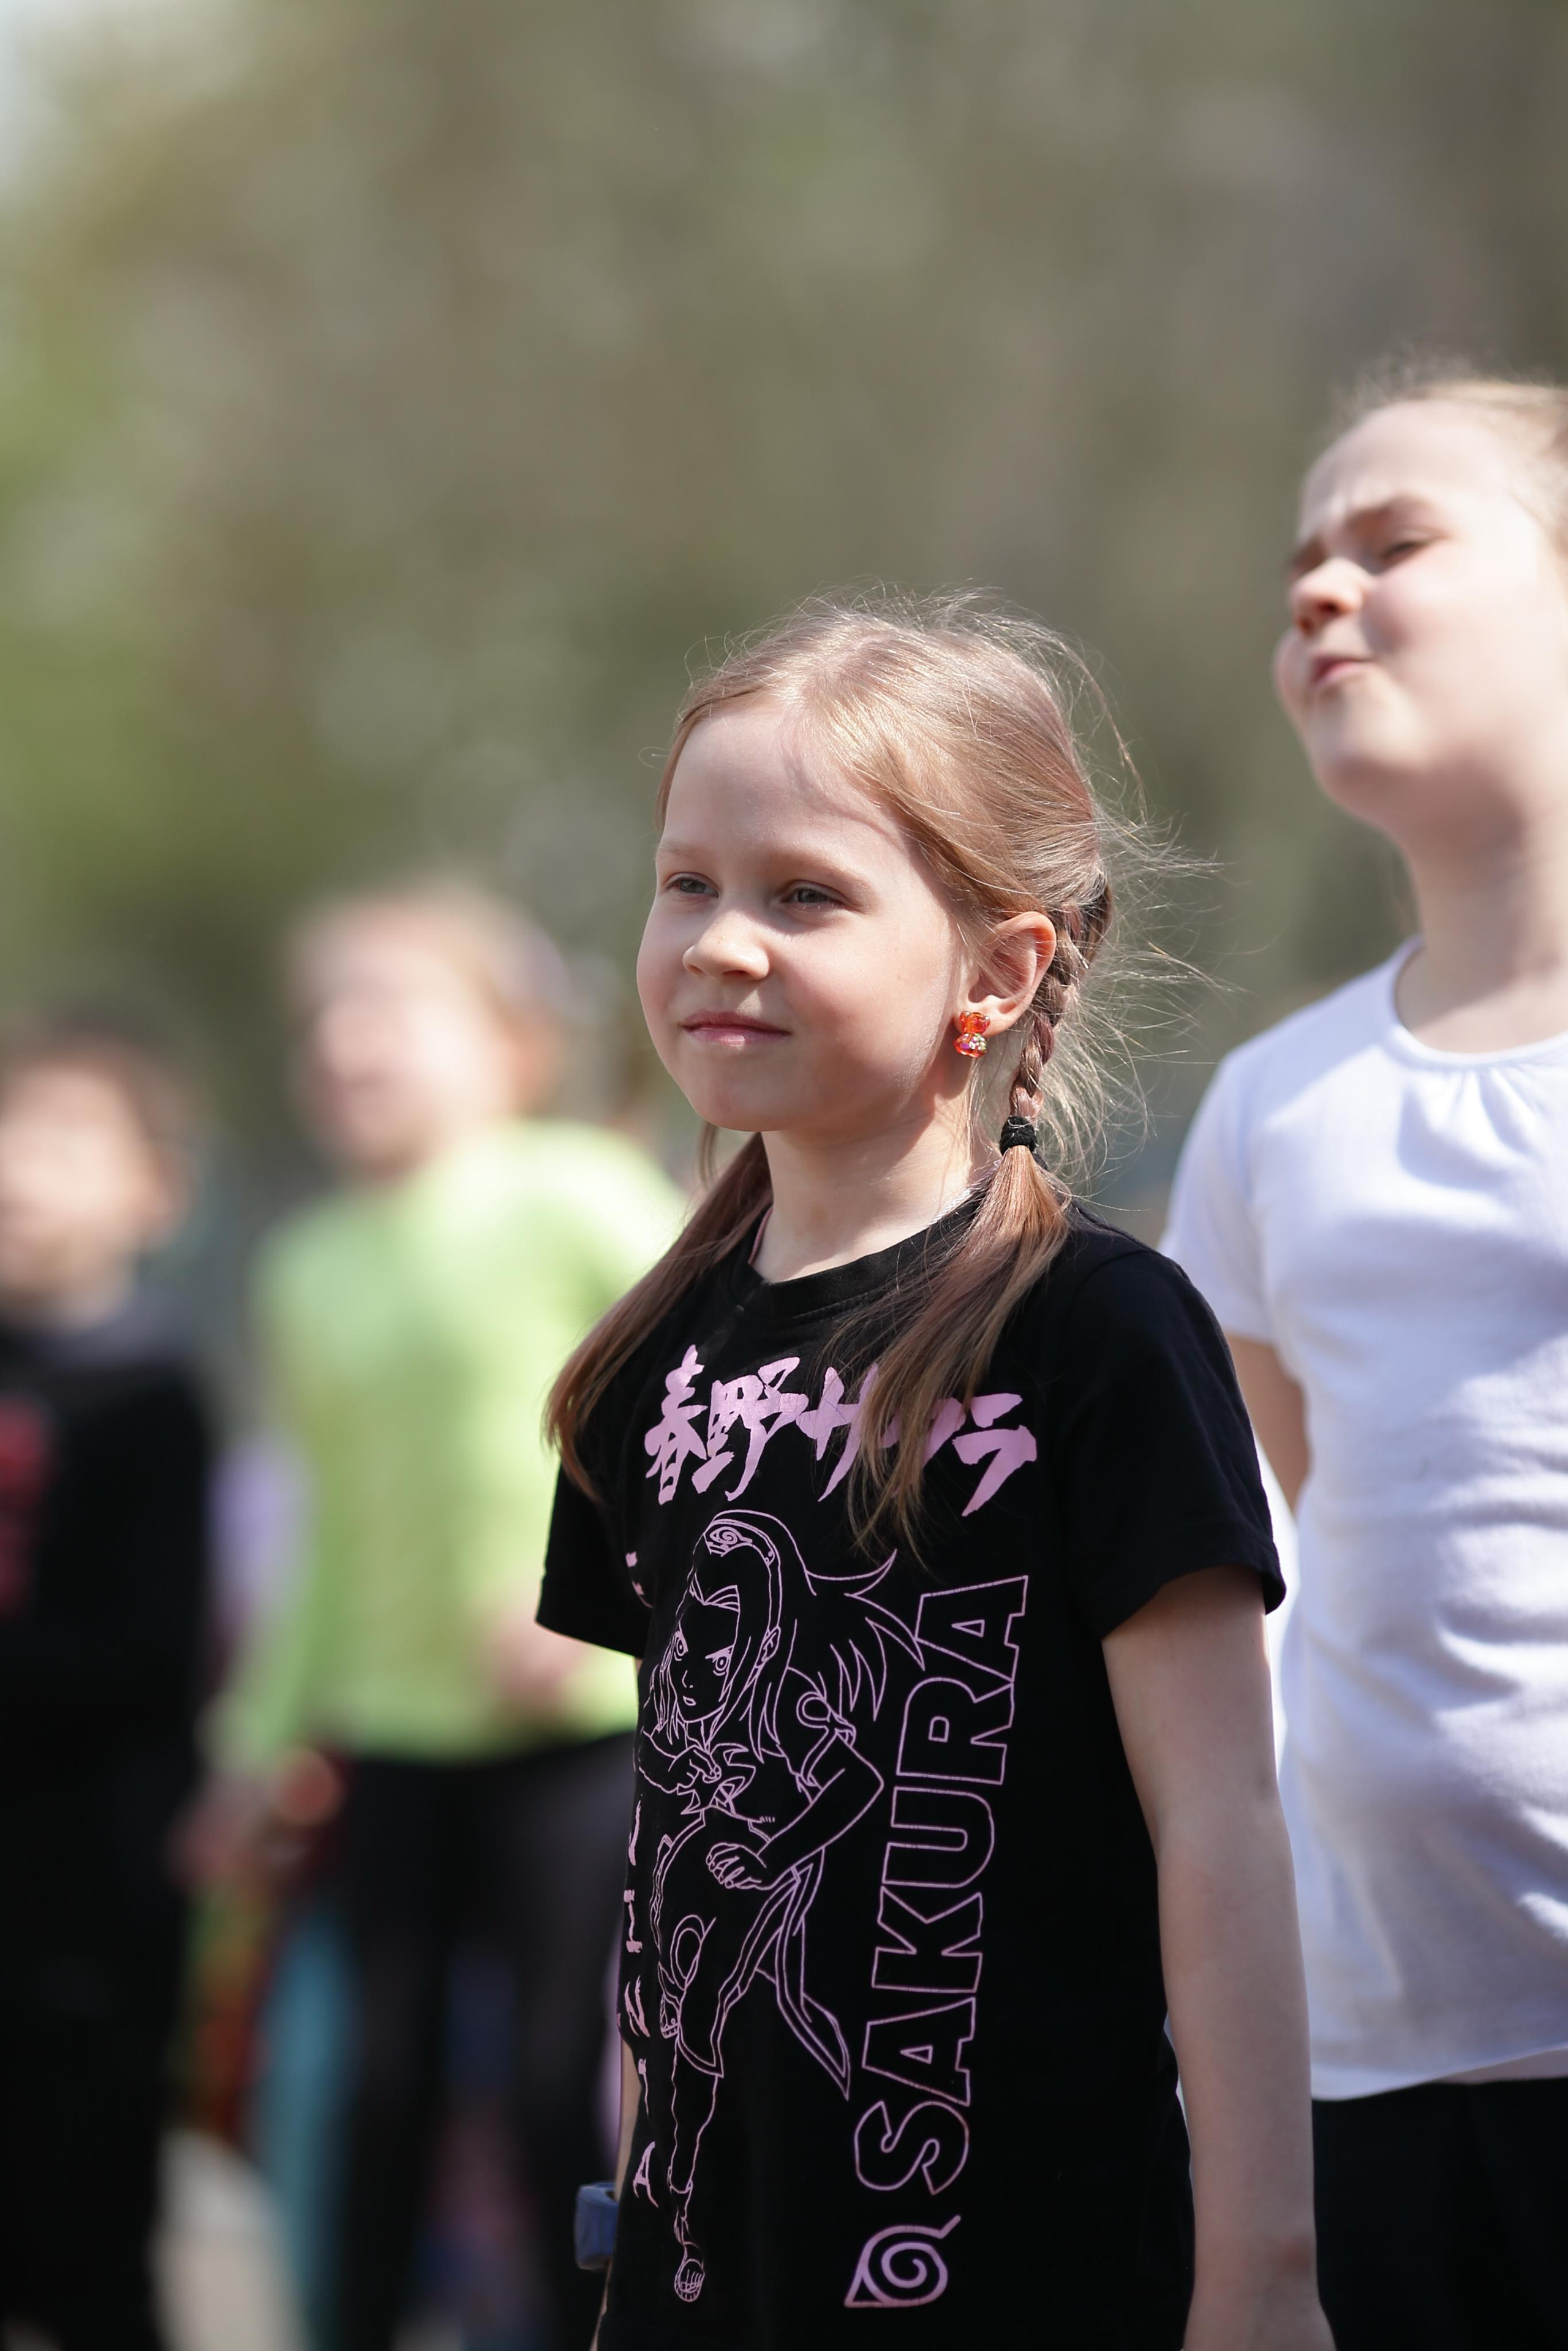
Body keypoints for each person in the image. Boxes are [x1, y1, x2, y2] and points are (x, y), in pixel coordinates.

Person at [537, 599, 1332, 2350]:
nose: (721, 940)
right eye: (688, 882)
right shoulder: (647, 1357)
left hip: (1022, 2276)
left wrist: (1262, 2276)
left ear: (1000, 967)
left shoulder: (1101, 1332)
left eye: (804, 893)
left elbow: (1223, 1821)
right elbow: (666, 1847)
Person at [1163, 369, 1568, 2350]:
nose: (1321, 592)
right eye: (1300, 562)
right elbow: (1291, 1543)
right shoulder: (1274, 1101)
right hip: (1380, 2053)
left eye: (1394, 541)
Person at [195, 880, 682, 2351]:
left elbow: (696, 1401)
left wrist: (610, 1605)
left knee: (556, 2085)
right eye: (323, 1018)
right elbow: (326, 1539)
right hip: (391, 1732)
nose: (347, 1041)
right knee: (372, 2086)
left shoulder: (576, 1192)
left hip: (572, 1734)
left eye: (392, 1005)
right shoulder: (307, 1268)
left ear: (513, 1043)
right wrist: (257, 1743)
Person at [0, 1015, 213, 2351]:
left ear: (152, 1191)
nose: (20, 1167)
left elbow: (151, 1647)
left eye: (66, 1137)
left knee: (85, 2245)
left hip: (88, 1892)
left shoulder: (151, 1389)